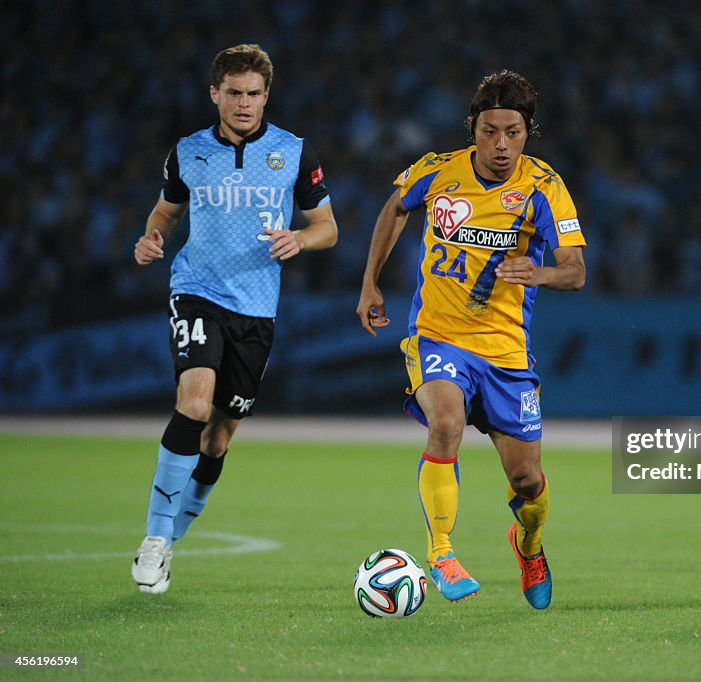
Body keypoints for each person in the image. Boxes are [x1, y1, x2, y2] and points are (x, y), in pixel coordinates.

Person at [356, 71, 586, 609]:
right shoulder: (438, 172)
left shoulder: (543, 187)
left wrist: (540, 272)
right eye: (489, 131)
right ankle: (440, 551)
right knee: (445, 423)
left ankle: (528, 544)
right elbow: (394, 208)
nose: (501, 145)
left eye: (513, 132)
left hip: (506, 351)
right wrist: (369, 281)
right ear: (472, 128)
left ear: (528, 132)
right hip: (440, 334)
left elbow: (575, 270)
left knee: (527, 480)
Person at [130, 44, 338, 594]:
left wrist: (301, 238)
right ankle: (154, 539)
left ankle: (171, 541)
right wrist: (153, 238)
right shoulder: (189, 152)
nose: (244, 103)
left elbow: (328, 227)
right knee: (194, 402)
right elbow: (167, 211)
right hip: (197, 288)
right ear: (215, 94)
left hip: (256, 307)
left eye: (253, 94)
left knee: (218, 437)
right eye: (234, 93)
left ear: (267, 96)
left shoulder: (294, 152)